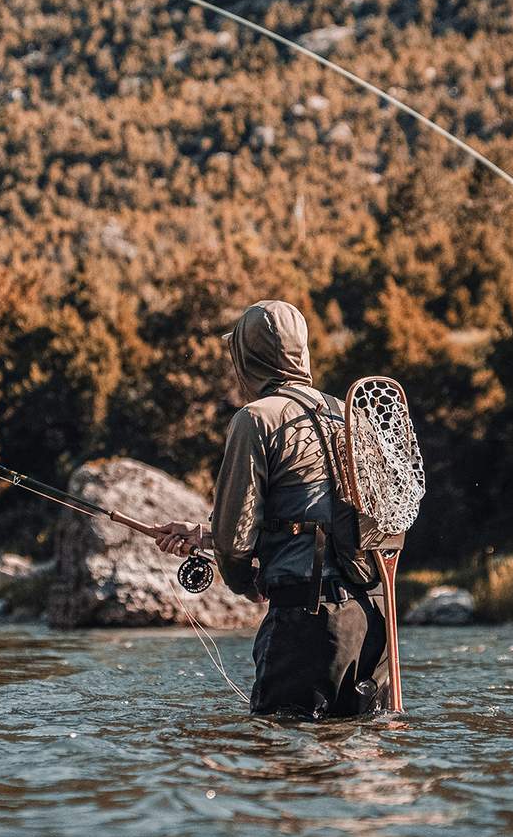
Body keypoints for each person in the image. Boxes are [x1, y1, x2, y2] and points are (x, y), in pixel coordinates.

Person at [152, 299, 390, 719]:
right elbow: (335, 518)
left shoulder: (255, 419)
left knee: (283, 766)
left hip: (305, 626)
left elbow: (235, 539)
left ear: (246, 357)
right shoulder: (349, 416)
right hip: (371, 621)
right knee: (355, 762)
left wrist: (246, 581)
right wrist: (202, 535)